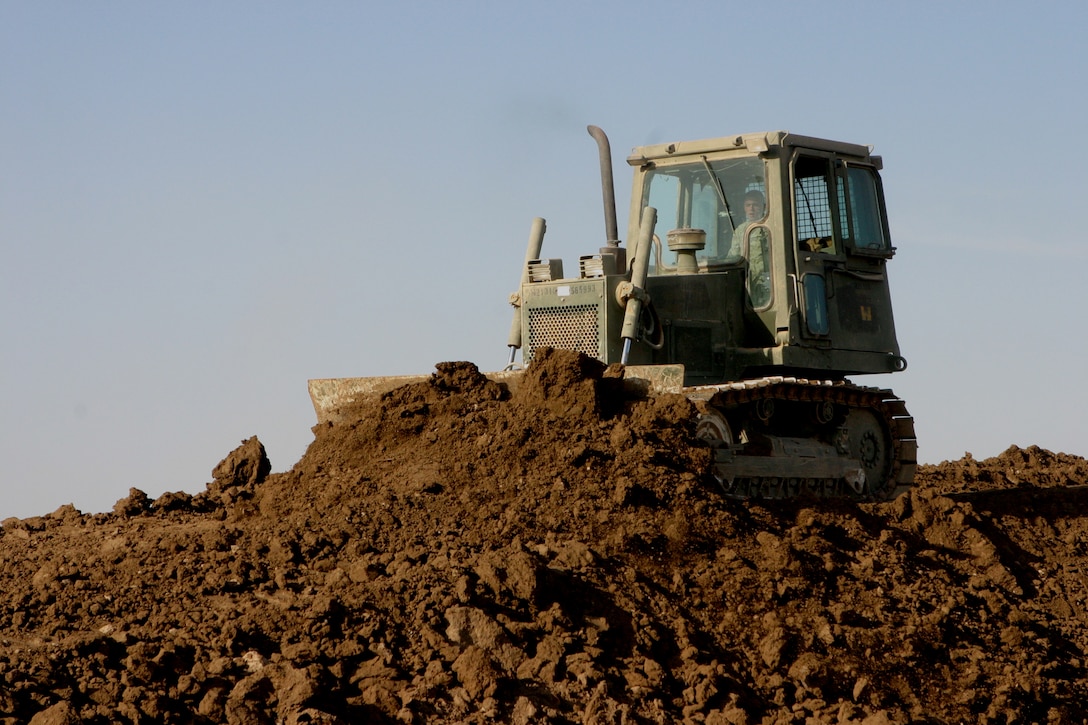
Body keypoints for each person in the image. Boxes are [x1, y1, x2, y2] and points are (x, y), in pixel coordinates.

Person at [727, 190, 771, 306]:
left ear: (764, 207)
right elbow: (733, 256)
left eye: (755, 205)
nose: (751, 209)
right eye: (748, 205)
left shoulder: (770, 227)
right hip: (749, 280)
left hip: (769, 278)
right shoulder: (740, 231)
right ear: (744, 208)